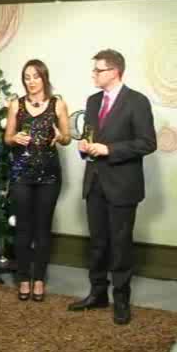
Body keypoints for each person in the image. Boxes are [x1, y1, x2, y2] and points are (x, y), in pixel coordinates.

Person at [67, 49, 157, 325]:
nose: (93, 74)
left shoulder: (137, 101)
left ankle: (121, 300)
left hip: (123, 186)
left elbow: (147, 143)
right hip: (94, 182)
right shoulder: (93, 101)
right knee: (97, 244)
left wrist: (110, 149)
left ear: (115, 72)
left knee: (120, 245)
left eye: (98, 70)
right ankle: (97, 294)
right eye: (94, 70)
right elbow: (90, 136)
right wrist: (84, 147)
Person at [4, 59, 71, 302]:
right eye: (27, 77)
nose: (31, 81)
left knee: (43, 227)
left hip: (49, 175)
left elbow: (67, 138)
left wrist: (60, 136)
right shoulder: (16, 104)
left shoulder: (58, 104)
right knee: (23, 228)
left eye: (35, 76)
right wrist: (14, 139)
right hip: (21, 174)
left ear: (44, 78)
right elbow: (7, 138)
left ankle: (40, 279)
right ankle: (24, 278)